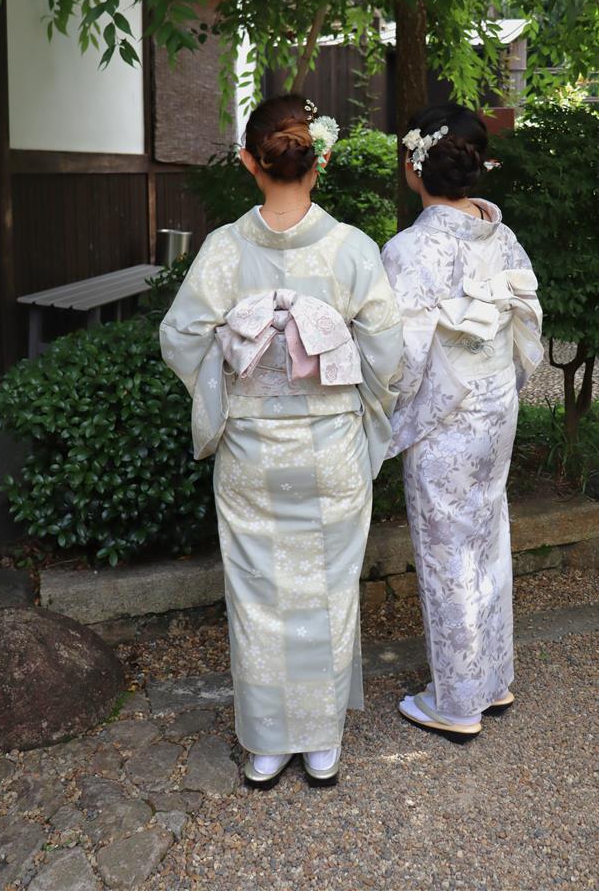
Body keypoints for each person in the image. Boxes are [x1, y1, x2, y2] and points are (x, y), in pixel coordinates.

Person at [160, 95, 402, 787]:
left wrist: (237, 367)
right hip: (330, 451)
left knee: (258, 595)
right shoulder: (352, 248)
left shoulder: (224, 249)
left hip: (253, 453)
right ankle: (321, 744)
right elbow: (387, 353)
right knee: (328, 590)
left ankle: (267, 743)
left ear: (249, 162)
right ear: (319, 157)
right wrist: (351, 393)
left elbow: (180, 337)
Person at [382, 104, 543, 739]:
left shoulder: (410, 249)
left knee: (446, 548)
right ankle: (492, 678)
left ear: (414, 165)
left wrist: (384, 414)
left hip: (443, 414)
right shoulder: (500, 235)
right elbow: (523, 319)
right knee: (487, 535)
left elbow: (398, 356)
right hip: (495, 401)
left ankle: (456, 702)